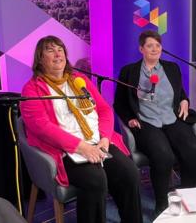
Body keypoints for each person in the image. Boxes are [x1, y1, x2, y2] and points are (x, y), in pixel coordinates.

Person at [20, 36, 142, 223]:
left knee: (130, 173)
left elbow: (104, 109)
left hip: (98, 141)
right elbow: (42, 127)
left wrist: (105, 139)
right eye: (50, 50)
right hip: (65, 150)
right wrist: (82, 147)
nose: (58, 53)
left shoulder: (79, 79)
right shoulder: (31, 90)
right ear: (40, 58)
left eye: (60, 49)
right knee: (95, 180)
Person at [113, 30, 196, 215]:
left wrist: (185, 100)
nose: (154, 49)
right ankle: (161, 205)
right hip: (146, 122)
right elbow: (120, 102)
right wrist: (129, 118)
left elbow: (180, 93)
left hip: (171, 119)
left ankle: (186, 197)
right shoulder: (129, 71)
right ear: (141, 49)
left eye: (158, 45)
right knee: (164, 156)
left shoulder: (172, 68)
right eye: (149, 46)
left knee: (194, 150)